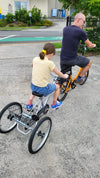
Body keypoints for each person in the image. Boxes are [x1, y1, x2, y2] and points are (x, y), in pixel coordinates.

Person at [26, 43, 68, 110]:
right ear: (51, 54)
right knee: (57, 87)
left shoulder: (35, 59)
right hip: (42, 88)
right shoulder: (50, 63)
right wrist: (64, 76)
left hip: (33, 85)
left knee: (36, 87)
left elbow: (32, 65)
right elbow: (58, 73)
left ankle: (29, 104)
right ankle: (54, 104)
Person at [60, 12, 96, 84]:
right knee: (89, 62)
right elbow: (89, 44)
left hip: (63, 58)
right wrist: (93, 45)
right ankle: (79, 79)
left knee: (64, 75)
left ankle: (61, 85)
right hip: (72, 58)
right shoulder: (80, 32)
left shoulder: (65, 29)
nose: (84, 24)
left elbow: (70, 38)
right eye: (84, 22)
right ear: (79, 20)